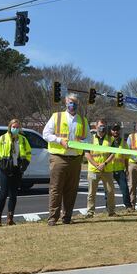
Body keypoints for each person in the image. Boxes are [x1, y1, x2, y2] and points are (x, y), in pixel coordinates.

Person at [42, 92, 89, 226]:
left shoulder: (83, 120)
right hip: (59, 157)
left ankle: (67, 216)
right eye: (70, 102)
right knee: (56, 188)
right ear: (65, 102)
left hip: (75, 159)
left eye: (74, 102)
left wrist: (83, 142)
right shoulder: (56, 117)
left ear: (78, 104)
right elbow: (46, 134)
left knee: (71, 189)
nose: (72, 104)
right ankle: (53, 217)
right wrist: (59, 140)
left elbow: (88, 139)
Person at [0, 119, 31, 226]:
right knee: (3, 194)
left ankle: (10, 218)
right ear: (9, 127)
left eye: (17, 127)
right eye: (14, 127)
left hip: (17, 170)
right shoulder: (2, 139)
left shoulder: (23, 140)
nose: (15, 129)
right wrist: (0, 164)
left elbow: (28, 153)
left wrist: (25, 163)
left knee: (13, 195)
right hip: (5, 170)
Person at [85, 120, 118, 218]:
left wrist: (105, 163)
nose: (102, 128)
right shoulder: (90, 139)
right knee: (91, 192)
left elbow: (113, 153)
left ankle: (111, 211)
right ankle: (90, 212)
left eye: (103, 126)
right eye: (100, 126)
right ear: (96, 126)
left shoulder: (110, 139)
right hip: (93, 170)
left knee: (110, 191)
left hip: (106, 170)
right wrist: (96, 165)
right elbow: (87, 154)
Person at [109, 123, 132, 212]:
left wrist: (126, 169)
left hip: (120, 169)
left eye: (117, 130)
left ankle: (128, 206)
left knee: (125, 188)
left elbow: (126, 157)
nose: (116, 131)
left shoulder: (123, 142)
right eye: (114, 130)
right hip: (109, 169)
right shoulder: (108, 141)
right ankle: (109, 208)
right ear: (111, 131)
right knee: (109, 190)